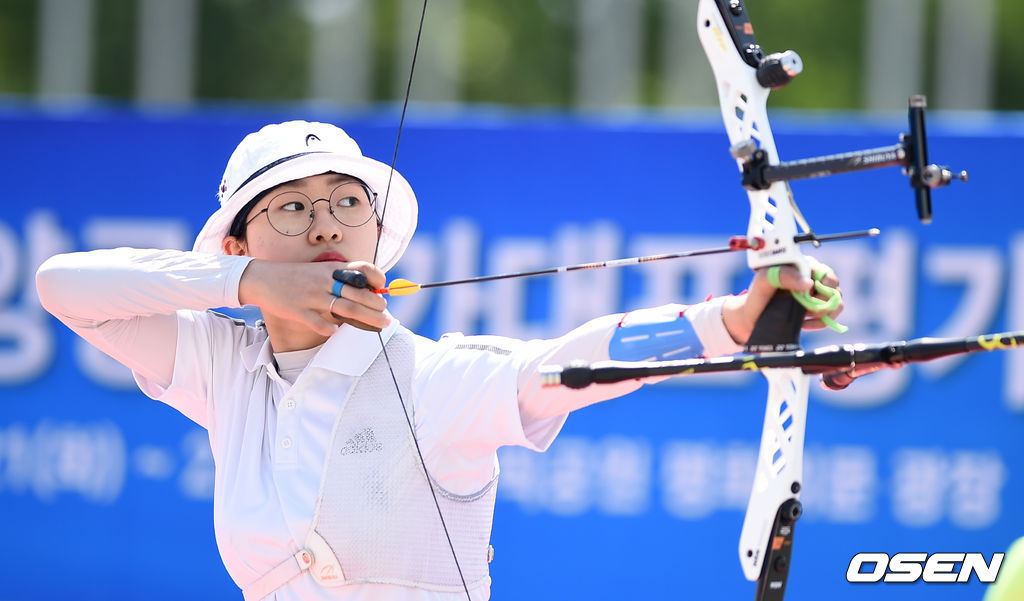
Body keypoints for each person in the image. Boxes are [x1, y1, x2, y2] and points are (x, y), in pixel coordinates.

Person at [35, 120, 842, 601]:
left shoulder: (436, 378)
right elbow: (62, 285)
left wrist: (731, 322)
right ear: (241, 241)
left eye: (347, 201)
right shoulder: (227, 364)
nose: (326, 224)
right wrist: (245, 282)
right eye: (292, 206)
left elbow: (564, 365)